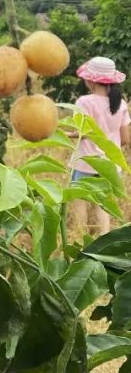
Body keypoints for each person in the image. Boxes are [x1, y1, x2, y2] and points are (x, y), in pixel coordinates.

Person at [68, 56, 130, 237]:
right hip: (110, 164)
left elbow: (82, 132)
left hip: (86, 161)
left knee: (79, 201)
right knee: (102, 203)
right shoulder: (121, 103)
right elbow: (126, 138)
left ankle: (80, 240)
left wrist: (65, 135)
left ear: (90, 80)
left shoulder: (84, 102)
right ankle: (104, 242)